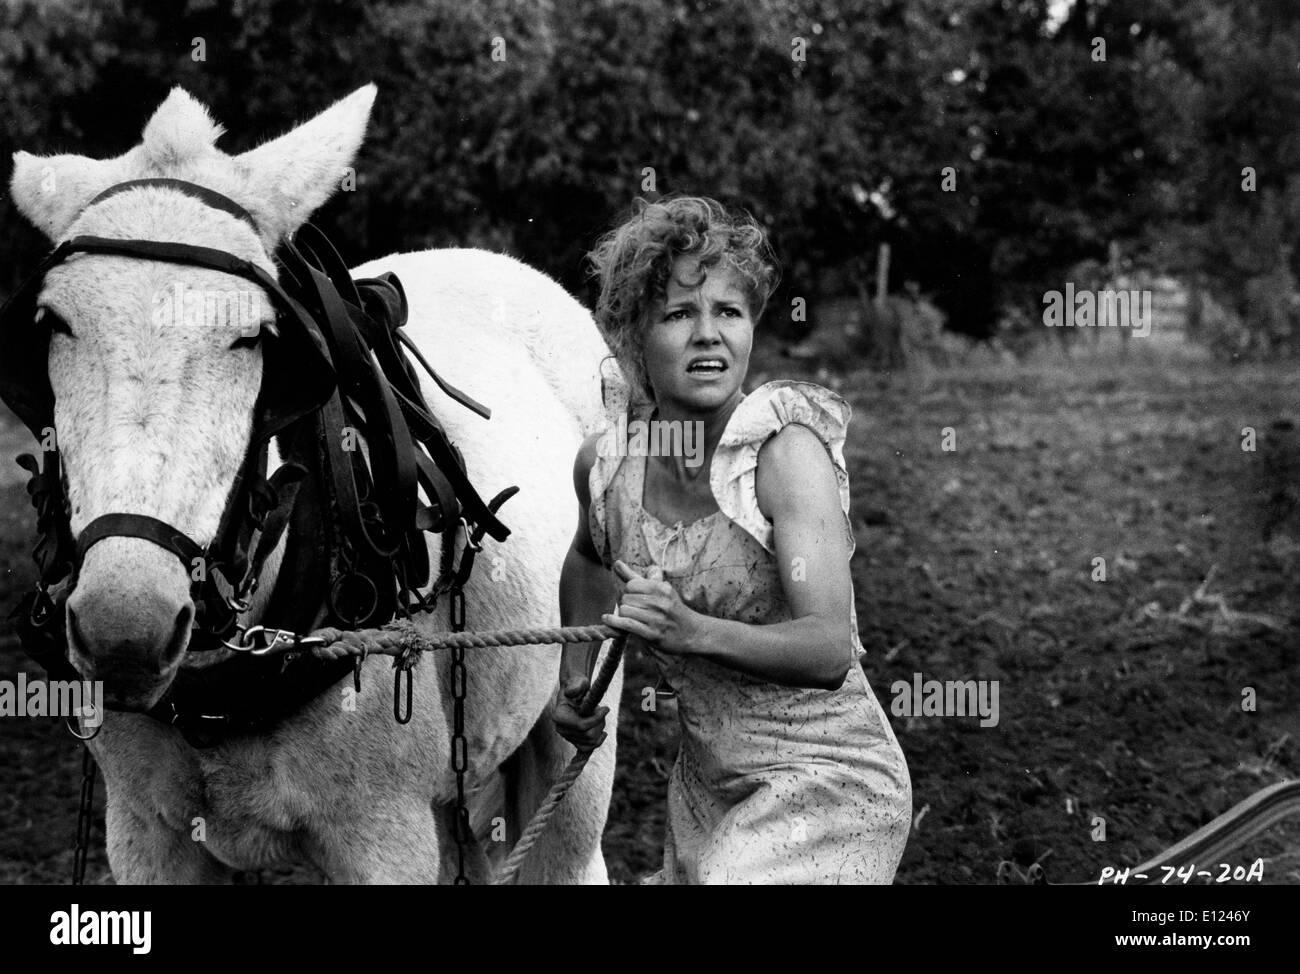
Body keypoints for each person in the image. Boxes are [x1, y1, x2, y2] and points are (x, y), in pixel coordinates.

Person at [553, 195, 911, 884]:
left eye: (729, 312)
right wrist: (574, 680)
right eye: (680, 314)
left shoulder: (781, 455)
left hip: (831, 782)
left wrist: (691, 629)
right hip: (710, 793)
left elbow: (829, 646)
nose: (708, 334)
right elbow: (590, 559)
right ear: (633, 337)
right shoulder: (608, 468)